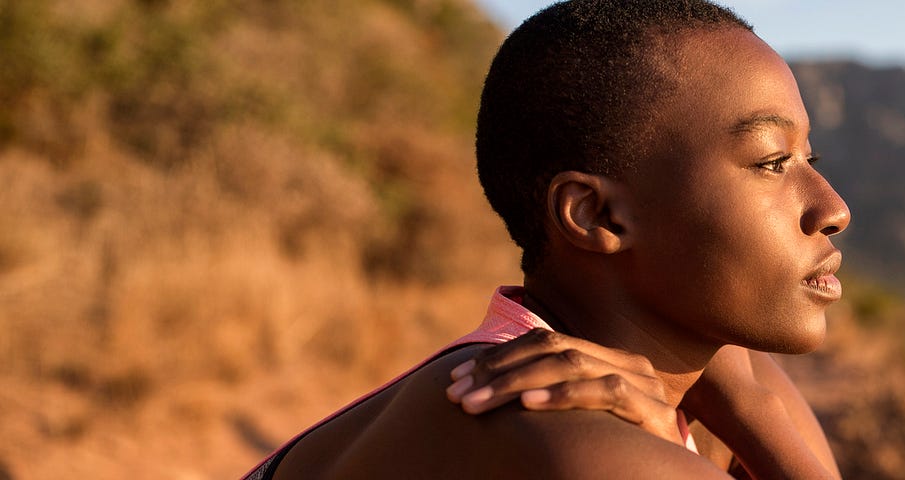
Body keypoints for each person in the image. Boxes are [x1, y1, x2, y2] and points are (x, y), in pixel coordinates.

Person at [244, 0, 849, 478]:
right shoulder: (550, 420)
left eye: (809, 156)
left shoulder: (732, 380)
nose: (833, 208)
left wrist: (750, 412)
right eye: (773, 162)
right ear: (597, 217)